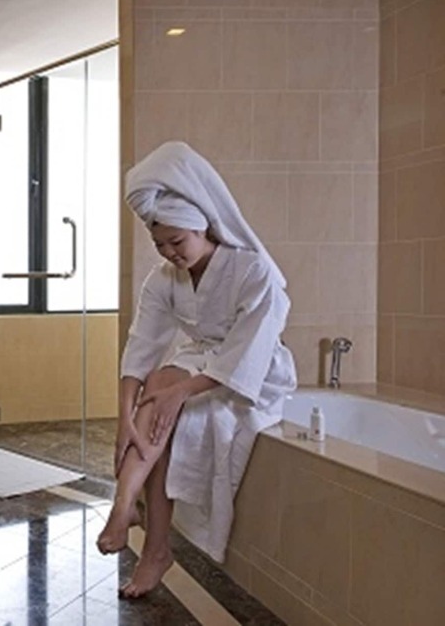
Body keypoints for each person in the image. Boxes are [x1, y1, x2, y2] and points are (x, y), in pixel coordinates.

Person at [96, 141, 296, 599]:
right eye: (159, 244)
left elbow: (249, 353)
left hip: (253, 374)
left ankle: (143, 532)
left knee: (166, 392)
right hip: (198, 362)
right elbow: (141, 346)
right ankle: (128, 511)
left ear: (202, 225)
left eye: (176, 242)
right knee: (158, 386)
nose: (169, 253)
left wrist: (181, 392)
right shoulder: (164, 279)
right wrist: (124, 418)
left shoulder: (253, 271)